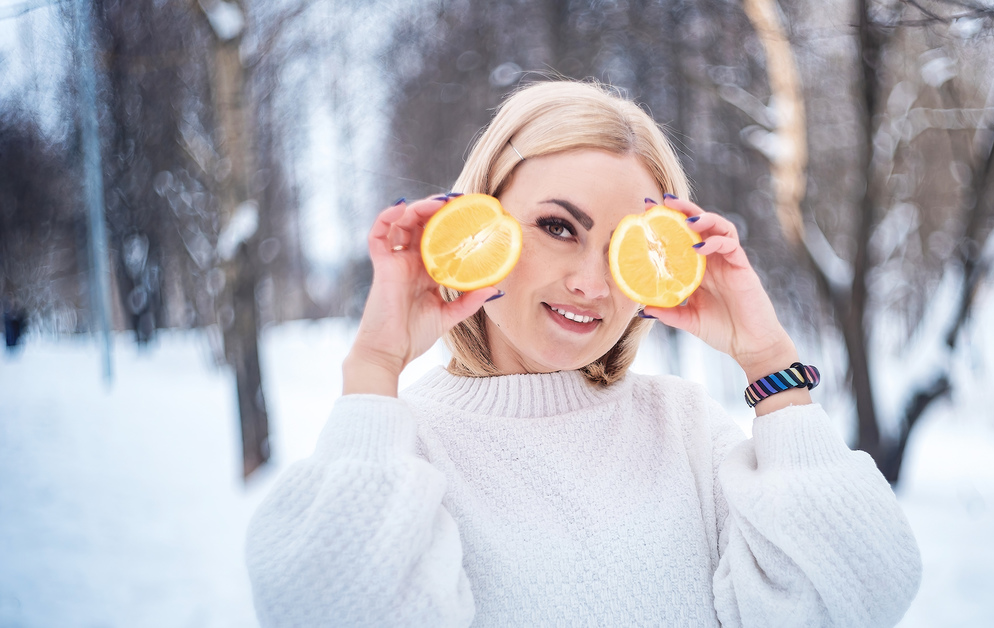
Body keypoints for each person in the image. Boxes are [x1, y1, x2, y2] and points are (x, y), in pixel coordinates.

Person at [245, 80, 922, 627]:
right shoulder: (401, 451)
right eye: (557, 227)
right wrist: (375, 367)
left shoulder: (685, 429)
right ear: (481, 222)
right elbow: (318, 608)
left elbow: (860, 596)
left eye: (631, 246)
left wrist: (769, 359)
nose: (593, 284)